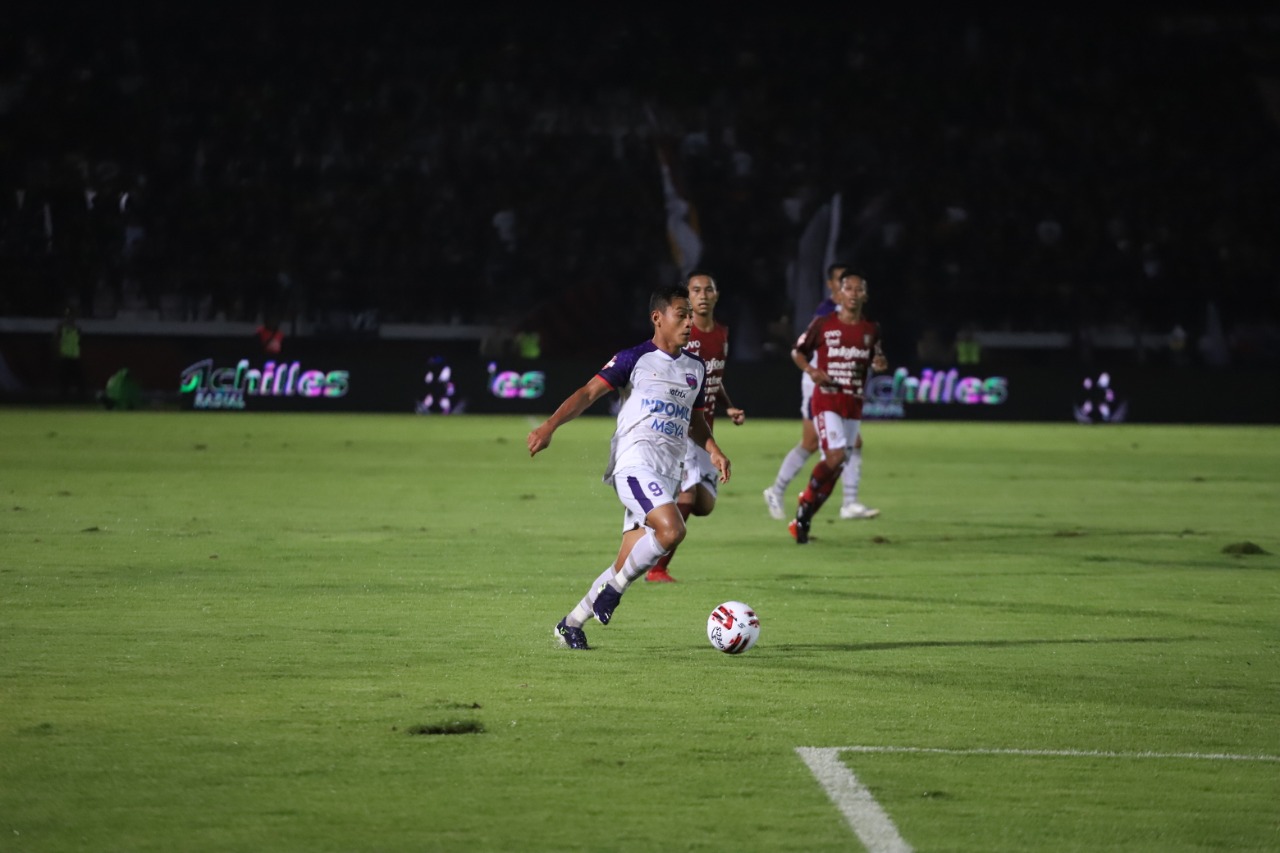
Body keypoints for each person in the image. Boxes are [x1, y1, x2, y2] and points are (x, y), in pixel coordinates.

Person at [528, 284, 731, 650]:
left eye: (690, 316)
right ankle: (614, 593)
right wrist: (550, 425)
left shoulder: (695, 368)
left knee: (626, 561)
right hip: (635, 463)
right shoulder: (634, 358)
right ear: (658, 317)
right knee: (672, 531)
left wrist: (714, 449)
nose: (689, 322)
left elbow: (695, 420)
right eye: (681, 314)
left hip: (667, 473)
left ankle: (570, 624)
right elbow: (589, 392)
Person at [644, 271, 744, 583]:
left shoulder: (722, 334)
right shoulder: (682, 337)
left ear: (716, 295)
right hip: (680, 428)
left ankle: (649, 524)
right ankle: (656, 567)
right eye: (695, 290)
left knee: (703, 505)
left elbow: (711, 379)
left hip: (705, 430)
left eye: (708, 290)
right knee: (687, 499)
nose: (702, 295)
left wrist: (726, 404)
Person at [763, 263, 880, 521]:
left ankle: (843, 501)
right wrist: (812, 371)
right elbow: (803, 348)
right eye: (843, 285)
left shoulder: (856, 317)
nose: (848, 291)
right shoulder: (827, 313)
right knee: (817, 444)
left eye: (853, 287)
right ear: (833, 287)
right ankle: (789, 493)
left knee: (826, 445)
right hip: (819, 385)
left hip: (839, 388)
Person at [787, 271, 887, 544]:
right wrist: (811, 370)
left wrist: (879, 363)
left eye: (858, 289)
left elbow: (876, 356)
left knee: (839, 462)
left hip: (853, 403)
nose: (853, 293)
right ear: (839, 295)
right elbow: (798, 350)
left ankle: (803, 517)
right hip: (827, 398)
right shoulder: (823, 324)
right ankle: (807, 500)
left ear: (865, 295)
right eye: (848, 288)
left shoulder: (871, 329)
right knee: (834, 456)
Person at [54, 307, 85, 401]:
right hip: (64, 356)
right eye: (68, 316)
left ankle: (81, 397)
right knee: (64, 379)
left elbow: (79, 341)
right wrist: (57, 352)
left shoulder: (77, 329)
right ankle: (63, 397)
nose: (70, 318)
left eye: (72, 316)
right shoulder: (61, 328)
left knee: (78, 378)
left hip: (75, 356)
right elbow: (56, 340)